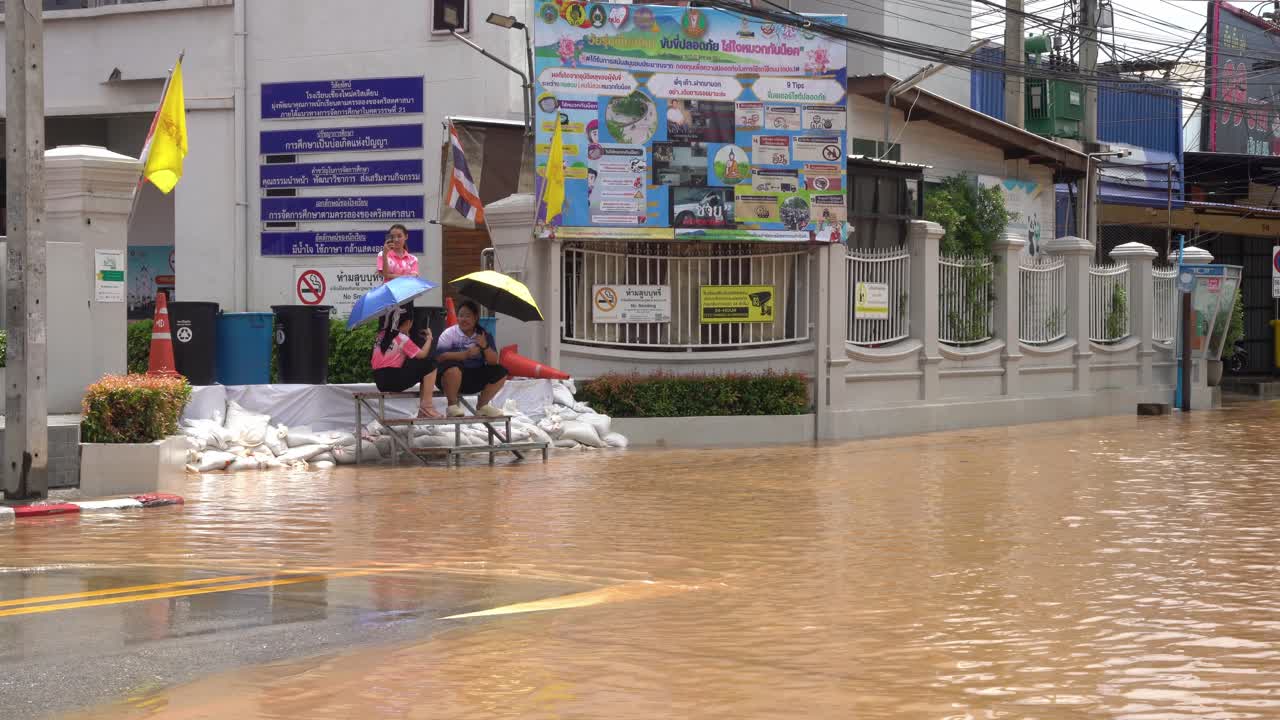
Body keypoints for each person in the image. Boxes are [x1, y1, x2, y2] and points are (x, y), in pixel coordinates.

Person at [434, 300, 508, 418]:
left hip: (473, 377)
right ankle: (452, 406)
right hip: (448, 378)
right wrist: (465, 354)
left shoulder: (483, 335)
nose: (463, 319)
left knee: (501, 371)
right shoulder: (449, 334)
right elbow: (439, 357)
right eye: (461, 315)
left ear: (476, 318)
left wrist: (485, 346)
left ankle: (482, 406)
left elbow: (493, 362)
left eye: (468, 316)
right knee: (454, 368)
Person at [371, 308, 440, 419]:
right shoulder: (401, 338)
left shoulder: (380, 335)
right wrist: (429, 339)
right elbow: (422, 355)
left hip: (379, 381)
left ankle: (422, 412)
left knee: (422, 370)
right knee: (431, 363)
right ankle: (427, 405)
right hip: (393, 381)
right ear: (408, 322)